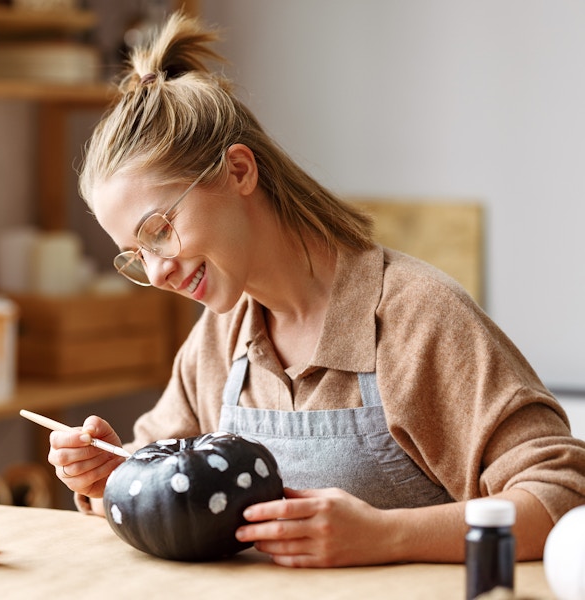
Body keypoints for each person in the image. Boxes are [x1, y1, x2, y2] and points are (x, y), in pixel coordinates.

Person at [47, 12, 585, 568]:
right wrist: (114, 473)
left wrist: (386, 537)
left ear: (237, 172)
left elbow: (562, 498)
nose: (157, 273)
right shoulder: (221, 336)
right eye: (136, 257)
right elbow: (164, 480)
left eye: (159, 231)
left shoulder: (417, 318)